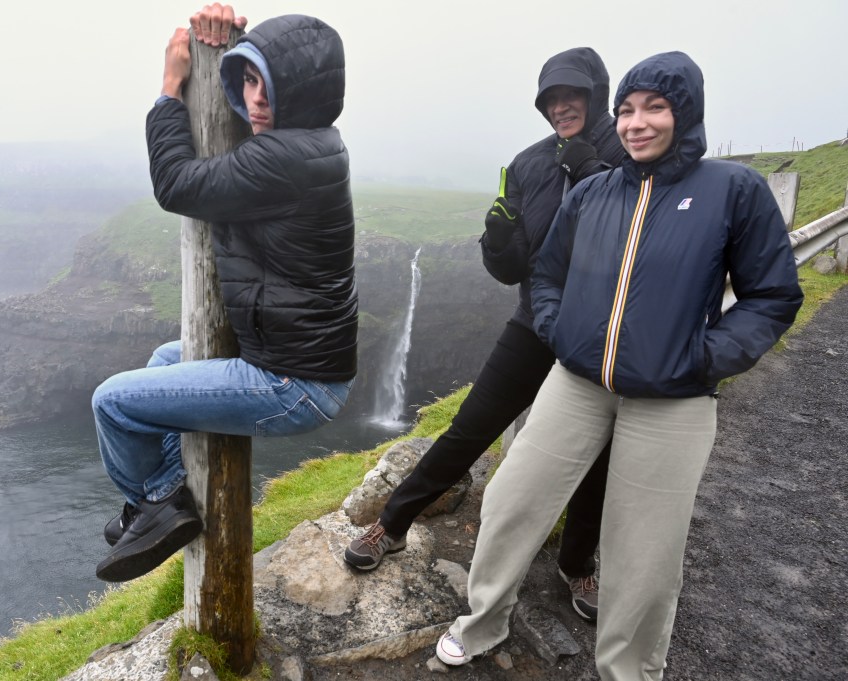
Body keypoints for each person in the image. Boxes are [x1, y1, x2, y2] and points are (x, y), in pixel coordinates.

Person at [435, 52, 803, 680]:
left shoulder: (731, 190)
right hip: (577, 383)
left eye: (655, 107)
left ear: (685, 113)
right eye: (627, 110)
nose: (637, 122)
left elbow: (771, 296)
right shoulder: (595, 192)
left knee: (645, 551)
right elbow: (547, 275)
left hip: (674, 398)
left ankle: (630, 670)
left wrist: (704, 358)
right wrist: (560, 331)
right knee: (510, 502)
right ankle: (482, 621)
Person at [344, 47, 624, 622]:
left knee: (598, 451)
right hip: (535, 322)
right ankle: (391, 524)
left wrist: (591, 172)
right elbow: (511, 268)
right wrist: (497, 243)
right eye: (550, 98)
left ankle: (577, 563)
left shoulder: (628, 151)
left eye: (572, 94)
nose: (561, 106)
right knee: (470, 426)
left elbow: (635, 236)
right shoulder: (526, 164)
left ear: (597, 93)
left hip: (602, 331)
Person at [93, 4, 357, 583]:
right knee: (166, 358)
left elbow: (176, 184)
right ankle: (165, 496)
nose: (257, 99)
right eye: (248, 80)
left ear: (305, 92)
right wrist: (226, 41)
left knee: (112, 402)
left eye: (272, 85)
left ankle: (158, 501)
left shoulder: (282, 159)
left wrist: (170, 89)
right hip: (295, 363)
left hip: (293, 384)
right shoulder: (315, 145)